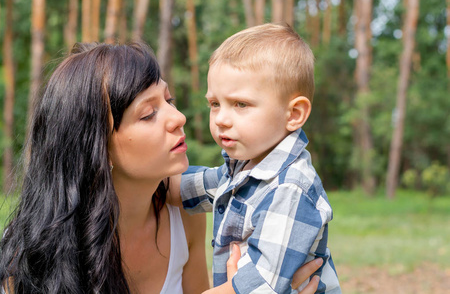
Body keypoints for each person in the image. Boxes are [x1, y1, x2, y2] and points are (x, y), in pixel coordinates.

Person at [0, 41, 320, 294]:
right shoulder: (28, 257)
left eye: (169, 100)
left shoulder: (184, 216)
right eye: (148, 113)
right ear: (97, 146)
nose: (178, 117)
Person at [179, 23, 341, 293]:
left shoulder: (290, 186)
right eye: (215, 104)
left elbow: (261, 284)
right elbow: (188, 187)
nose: (221, 119)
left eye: (240, 104)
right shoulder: (244, 169)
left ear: (294, 114)